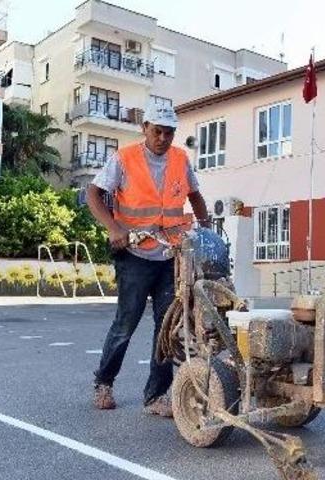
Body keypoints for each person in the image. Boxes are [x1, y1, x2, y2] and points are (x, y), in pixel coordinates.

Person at [85, 103, 209, 416]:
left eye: (169, 133)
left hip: (170, 257)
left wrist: (206, 232)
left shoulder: (181, 159)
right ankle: (104, 382)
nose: (163, 138)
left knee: (167, 328)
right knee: (126, 323)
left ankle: (155, 396)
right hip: (135, 257)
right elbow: (93, 194)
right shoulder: (124, 158)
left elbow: (195, 196)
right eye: (158, 131)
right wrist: (114, 228)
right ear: (145, 128)